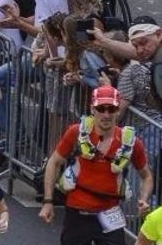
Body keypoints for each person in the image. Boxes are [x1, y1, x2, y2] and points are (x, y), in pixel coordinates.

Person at [41, 84, 154, 245]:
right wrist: (48, 201)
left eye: (112, 109)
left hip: (110, 214)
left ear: (118, 110)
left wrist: (144, 199)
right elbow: (54, 162)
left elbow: (147, 175)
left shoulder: (130, 142)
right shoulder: (76, 132)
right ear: (92, 109)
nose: (106, 114)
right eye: (101, 108)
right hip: (78, 213)